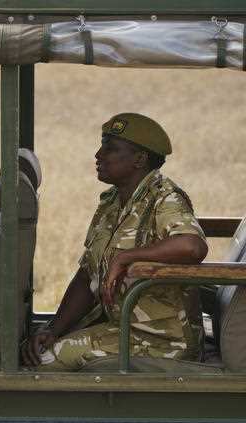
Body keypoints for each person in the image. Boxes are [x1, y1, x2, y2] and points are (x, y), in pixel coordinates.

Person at [22, 113, 208, 371]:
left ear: (140, 159)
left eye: (110, 148)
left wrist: (126, 258)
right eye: (102, 145)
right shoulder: (112, 201)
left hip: (162, 338)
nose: (99, 154)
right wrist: (54, 328)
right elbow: (88, 275)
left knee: (44, 361)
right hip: (122, 326)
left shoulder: (164, 197)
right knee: (36, 346)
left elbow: (192, 246)